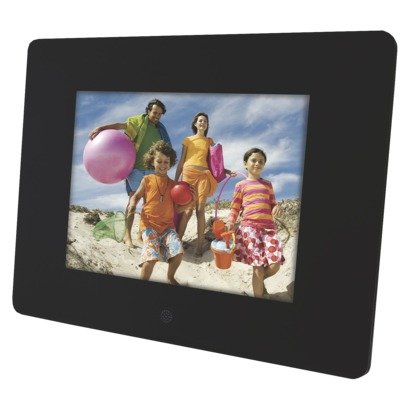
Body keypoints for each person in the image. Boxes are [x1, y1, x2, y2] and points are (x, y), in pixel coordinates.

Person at [89, 99, 172, 248]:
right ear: (148, 111)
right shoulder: (138, 122)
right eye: (155, 112)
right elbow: (120, 126)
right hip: (135, 169)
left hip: (152, 171)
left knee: (148, 205)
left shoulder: (161, 131)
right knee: (133, 202)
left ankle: (140, 234)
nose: (157, 116)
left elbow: (166, 150)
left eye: (160, 114)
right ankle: (127, 236)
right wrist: (101, 128)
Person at [226, 148, 285, 298]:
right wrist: (230, 222)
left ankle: (258, 281)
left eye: (261, 161)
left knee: (275, 264)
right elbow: (235, 208)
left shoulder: (268, 184)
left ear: (264, 165)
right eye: (253, 160)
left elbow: (273, 204)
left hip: (269, 230)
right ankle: (259, 292)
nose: (257, 163)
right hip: (250, 229)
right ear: (245, 163)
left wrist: (277, 207)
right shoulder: (240, 185)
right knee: (257, 267)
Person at [174, 112, 234, 257]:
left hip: (203, 176)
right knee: (187, 211)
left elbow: (215, 162)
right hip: (188, 174)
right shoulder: (188, 140)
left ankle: (199, 247)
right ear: (195, 124)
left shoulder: (209, 141)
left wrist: (225, 171)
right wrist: (175, 181)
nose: (202, 123)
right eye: (200, 120)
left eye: (205, 121)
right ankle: (177, 244)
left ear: (207, 125)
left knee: (200, 210)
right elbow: (182, 161)